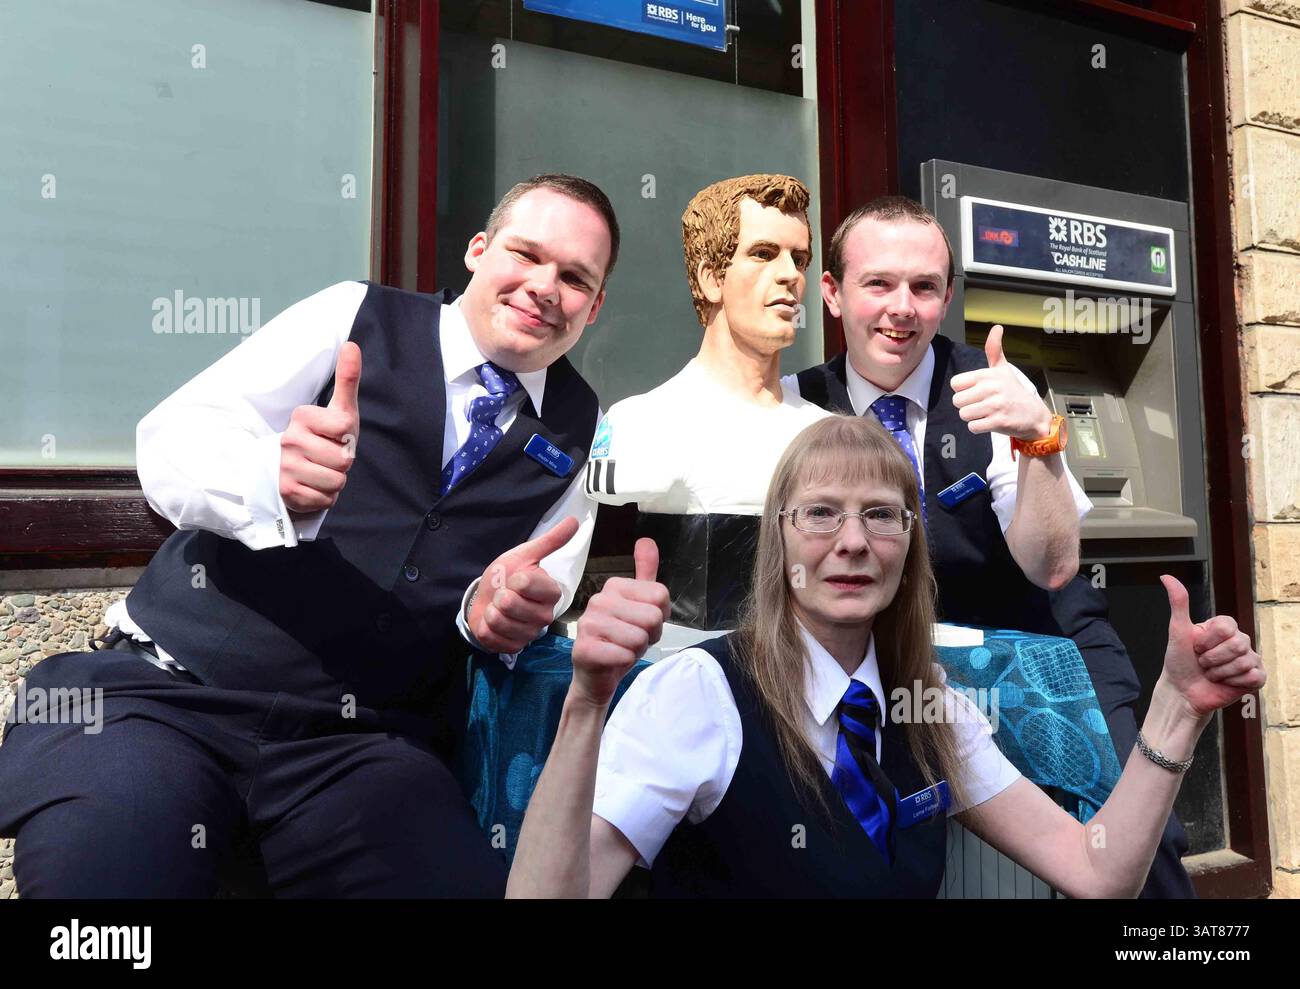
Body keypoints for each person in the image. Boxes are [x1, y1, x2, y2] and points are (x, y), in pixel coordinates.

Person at [0, 173, 617, 898]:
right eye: (526, 253)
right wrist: (268, 477)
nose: (545, 286)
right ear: (479, 250)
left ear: (595, 305)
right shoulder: (355, 315)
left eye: (575, 277)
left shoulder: (580, 428)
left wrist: (491, 614)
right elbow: (171, 442)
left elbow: (539, 581)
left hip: (361, 749)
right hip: (166, 699)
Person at [505, 415, 1264, 898]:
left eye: (880, 515)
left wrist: (1175, 709)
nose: (853, 541)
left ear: (909, 545)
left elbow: (1099, 871)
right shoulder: (698, 693)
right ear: (780, 538)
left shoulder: (931, 712)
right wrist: (585, 704)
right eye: (821, 514)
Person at [788, 195, 1198, 897]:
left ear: (947, 298)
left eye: (923, 288)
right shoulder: (798, 406)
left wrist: (1039, 437)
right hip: (888, 664)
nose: (901, 307)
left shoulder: (996, 388)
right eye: (878, 284)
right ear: (832, 294)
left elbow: (1055, 564)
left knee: (1136, 835)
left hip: (1043, 643)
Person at [584, 174, 829, 630]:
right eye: (762, 253)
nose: (790, 275)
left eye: (800, 259)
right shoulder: (644, 423)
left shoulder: (821, 434)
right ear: (711, 278)